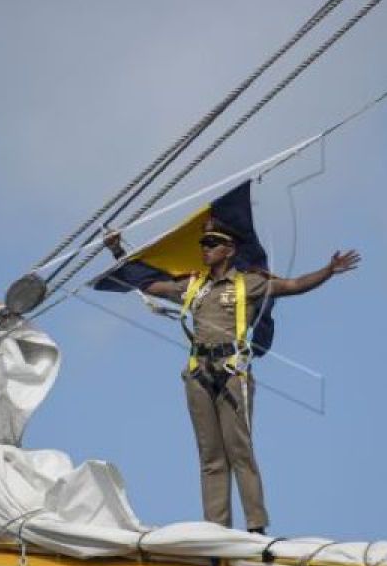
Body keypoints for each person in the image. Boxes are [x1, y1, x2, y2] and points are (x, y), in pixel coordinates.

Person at [105, 223, 360, 534]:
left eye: (213, 243)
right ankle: (216, 528)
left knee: (239, 451)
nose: (205, 248)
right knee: (210, 456)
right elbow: (148, 284)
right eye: (204, 243)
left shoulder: (247, 284)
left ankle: (256, 525)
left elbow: (293, 285)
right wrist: (117, 250)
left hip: (231, 373)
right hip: (199, 373)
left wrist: (329, 270)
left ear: (230, 250)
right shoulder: (194, 286)